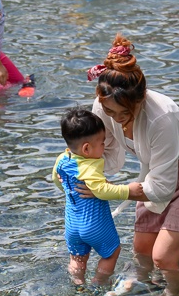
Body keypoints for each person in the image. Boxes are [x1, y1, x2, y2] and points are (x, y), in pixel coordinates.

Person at [87, 34, 179, 296]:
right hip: (157, 172)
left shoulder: (160, 117)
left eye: (124, 113)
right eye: (110, 112)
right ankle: (141, 293)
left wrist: (110, 192)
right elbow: (107, 155)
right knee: (141, 251)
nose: (116, 120)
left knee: (163, 257)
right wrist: (78, 172)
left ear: (140, 100)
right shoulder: (103, 105)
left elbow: (161, 188)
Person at [53, 107, 129, 285]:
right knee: (112, 252)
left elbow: (57, 181)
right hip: (94, 224)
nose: (104, 147)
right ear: (87, 149)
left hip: (72, 225)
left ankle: (78, 283)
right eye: (102, 143)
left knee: (77, 259)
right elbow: (102, 191)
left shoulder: (62, 159)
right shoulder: (91, 166)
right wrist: (126, 190)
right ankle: (99, 282)